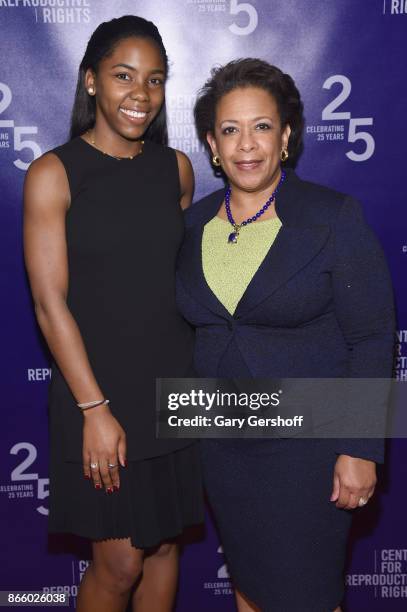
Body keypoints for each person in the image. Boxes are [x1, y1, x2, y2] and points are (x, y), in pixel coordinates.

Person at [176, 58, 395, 611]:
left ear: (287, 135)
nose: (247, 145)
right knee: (249, 588)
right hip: (221, 449)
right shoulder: (190, 225)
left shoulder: (333, 217)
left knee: (306, 596)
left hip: (309, 452)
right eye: (230, 130)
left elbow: (372, 336)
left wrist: (359, 447)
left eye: (262, 126)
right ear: (211, 142)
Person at [23, 15, 203, 612]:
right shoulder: (53, 173)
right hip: (96, 392)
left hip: (170, 386)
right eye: (124, 76)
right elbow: (50, 306)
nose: (141, 94)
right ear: (92, 81)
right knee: (120, 561)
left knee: (164, 549)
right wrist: (94, 409)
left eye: (154, 80)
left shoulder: (176, 169)